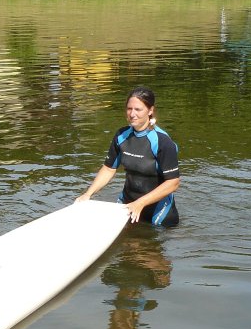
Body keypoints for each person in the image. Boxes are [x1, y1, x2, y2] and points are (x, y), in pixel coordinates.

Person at [76, 86, 180, 226]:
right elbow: (108, 169)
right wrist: (88, 194)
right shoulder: (121, 136)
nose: (132, 114)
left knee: (147, 245)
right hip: (128, 204)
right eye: (129, 109)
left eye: (138, 109)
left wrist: (140, 203)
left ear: (150, 111)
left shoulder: (162, 141)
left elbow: (173, 183)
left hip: (158, 212)